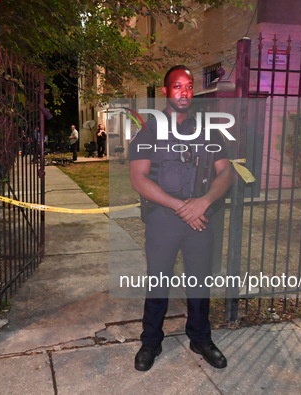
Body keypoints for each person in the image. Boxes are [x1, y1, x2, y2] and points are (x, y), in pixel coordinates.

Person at [129, 65, 232, 371]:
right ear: (165, 91)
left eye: (188, 87)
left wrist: (204, 201)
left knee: (200, 281)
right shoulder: (149, 131)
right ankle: (151, 341)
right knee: (158, 281)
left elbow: (226, 172)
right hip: (163, 219)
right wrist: (179, 206)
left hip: (200, 218)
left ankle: (200, 337)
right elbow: (139, 178)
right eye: (177, 86)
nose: (184, 92)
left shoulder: (209, 130)